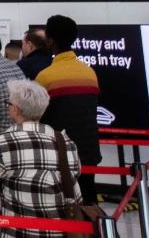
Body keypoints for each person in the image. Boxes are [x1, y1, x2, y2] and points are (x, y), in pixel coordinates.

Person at [0, 80, 82, 233]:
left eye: (8, 103)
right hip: (63, 231)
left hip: (16, 231)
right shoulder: (65, 141)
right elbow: (76, 173)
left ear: (15, 109)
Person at [35, 15, 101, 204]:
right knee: (88, 201)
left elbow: (37, 116)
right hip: (89, 152)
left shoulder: (46, 76)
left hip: (59, 156)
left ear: (50, 40)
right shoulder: (89, 72)